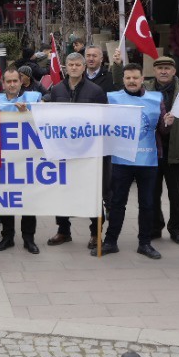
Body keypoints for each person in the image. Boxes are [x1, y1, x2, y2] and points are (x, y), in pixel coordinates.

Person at [41, 52, 108, 246]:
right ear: (65, 67)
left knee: (92, 192)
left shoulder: (95, 91)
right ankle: (63, 230)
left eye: (78, 65)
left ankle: (96, 232)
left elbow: (103, 119)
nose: (74, 68)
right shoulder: (57, 90)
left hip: (88, 152)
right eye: (70, 65)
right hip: (63, 150)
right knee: (61, 190)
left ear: (84, 67)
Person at [105, 64, 164, 259]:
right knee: (117, 203)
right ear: (123, 79)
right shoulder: (112, 99)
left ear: (142, 79)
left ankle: (145, 243)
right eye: (128, 78)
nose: (132, 81)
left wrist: (168, 124)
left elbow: (163, 129)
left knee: (147, 204)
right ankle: (111, 241)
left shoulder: (156, 99)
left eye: (135, 78)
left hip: (147, 160)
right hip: (121, 160)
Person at [0, 68, 42, 254]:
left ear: (21, 82)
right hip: (5, 160)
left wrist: (27, 113)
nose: (12, 85)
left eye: (15, 81)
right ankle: (7, 237)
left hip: (27, 159)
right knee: (6, 200)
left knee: (29, 200)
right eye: (8, 81)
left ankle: (29, 239)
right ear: (3, 84)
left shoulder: (33, 98)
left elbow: (43, 122)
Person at [150, 57, 179, 246]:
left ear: (174, 71)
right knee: (152, 192)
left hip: (176, 149)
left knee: (176, 193)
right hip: (152, 151)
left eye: (167, 68)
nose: (163, 72)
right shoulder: (146, 90)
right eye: (160, 69)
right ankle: (155, 227)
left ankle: (176, 229)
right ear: (154, 71)